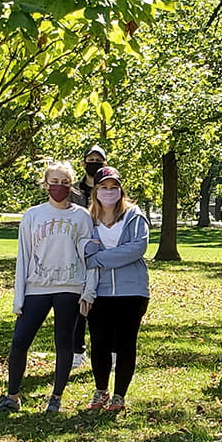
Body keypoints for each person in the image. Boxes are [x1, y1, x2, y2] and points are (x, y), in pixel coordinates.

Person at [0, 162, 95, 412]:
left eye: (64, 183)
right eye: (54, 182)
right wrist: (19, 298)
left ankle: (56, 398)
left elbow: (90, 256)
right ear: (45, 184)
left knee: (64, 343)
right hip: (36, 287)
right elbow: (24, 255)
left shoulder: (81, 216)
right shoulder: (33, 215)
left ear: (71, 186)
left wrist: (88, 290)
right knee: (19, 341)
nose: (58, 187)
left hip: (70, 287)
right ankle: (13, 396)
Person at [80, 166, 150, 412]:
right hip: (99, 290)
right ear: (95, 190)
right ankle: (101, 391)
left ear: (121, 190)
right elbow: (83, 250)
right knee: (99, 342)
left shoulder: (134, 216)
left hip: (132, 291)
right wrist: (94, 254)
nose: (109, 192)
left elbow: (136, 248)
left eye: (113, 187)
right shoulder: (87, 219)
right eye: (103, 187)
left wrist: (100, 257)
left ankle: (119, 395)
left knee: (125, 343)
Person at [69, 144, 108, 371]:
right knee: (77, 302)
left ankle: (106, 352)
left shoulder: (108, 189)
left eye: (98, 159)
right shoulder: (73, 191)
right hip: (76, 252)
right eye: (90, 159)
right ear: (83, 163)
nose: (94, 162)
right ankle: (77, 350)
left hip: (102, 250)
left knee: (100, 303)